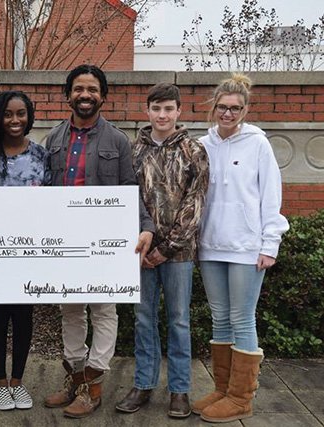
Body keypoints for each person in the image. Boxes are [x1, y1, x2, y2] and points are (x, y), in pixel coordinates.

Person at [42, 64, 155, 419]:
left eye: (92, 89)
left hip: (104, 242)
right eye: (79, 89)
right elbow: (41, 193)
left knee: (104, 311)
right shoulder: (54, 139)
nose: (85, 95)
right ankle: (74, 377)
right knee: (70, 310)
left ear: (103, 96)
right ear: (68, 95)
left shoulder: (118, 140)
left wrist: (146, 226)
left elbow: (129, 188)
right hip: (64, 239)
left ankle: (93, 385)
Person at [193, 73, 289, 423]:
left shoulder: (258, 144)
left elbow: (271, 197)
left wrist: (270, 243)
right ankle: (222, 389)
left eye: (235, 108)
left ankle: (241, 398)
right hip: (211, 246)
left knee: (242, 318)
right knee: (220, 319)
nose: (228, 114)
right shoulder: (203, 145)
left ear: (245, 109)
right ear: (213, 108)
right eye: (222, 107)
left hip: (247, 248)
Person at [115, 83, 209, 418]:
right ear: (147, 111)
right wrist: (146, 245)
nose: (162, 115)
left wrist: (166, 249)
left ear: (179, 111)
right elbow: (126, 199)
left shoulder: (193, 150)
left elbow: (194, 205)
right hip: (140, 251)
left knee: (179, 321)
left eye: (169, 109)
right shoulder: (133, 150)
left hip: (178, 255)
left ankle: (180, 390)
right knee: (143, 319)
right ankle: (143, 384)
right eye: (156, 108)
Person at [0, 90, 50, 411]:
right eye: (8, 114)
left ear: (29, 116)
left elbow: (51, 205)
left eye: (21, 113)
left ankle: (18, 382)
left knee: (23, 316)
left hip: (29, 251)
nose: (15, 120)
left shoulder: (41, 157)